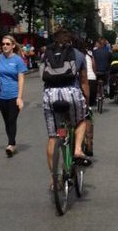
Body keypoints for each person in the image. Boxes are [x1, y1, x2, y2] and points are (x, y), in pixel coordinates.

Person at [42, 30, 91, 189]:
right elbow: (84, 81)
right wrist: (86, 101)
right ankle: (77, 149)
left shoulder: (47, 53)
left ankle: (54, 180)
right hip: (71, 93)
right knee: (81, 120)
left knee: (53, 136)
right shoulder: (78, 55)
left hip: (50, 95)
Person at [0, 35, 27, 156]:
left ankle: (11, 144)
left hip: (13, 94)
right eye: (3, 44)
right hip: (1, 95)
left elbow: (21, 79)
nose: (5, 46)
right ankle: (12, 142)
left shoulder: (18, 60)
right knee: (7, 121)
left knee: (12, 119)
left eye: (8, 44)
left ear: (13, 46)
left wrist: (19, 97)